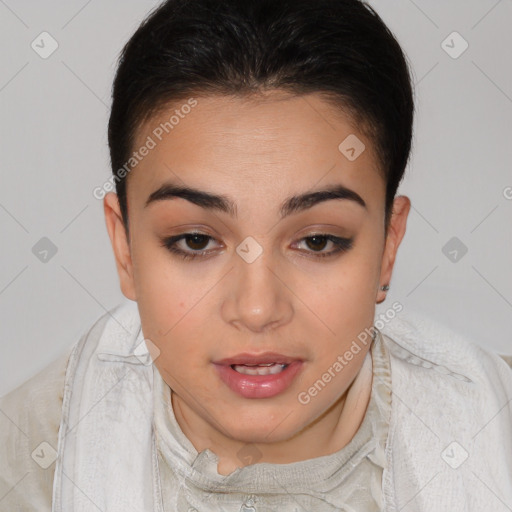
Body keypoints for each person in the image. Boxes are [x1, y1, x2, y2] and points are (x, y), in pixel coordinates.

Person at [1, 0, 511, 510]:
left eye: (317, 241)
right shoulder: (30, 460)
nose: (257, 309)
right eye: (196, 241)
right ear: (125, 250)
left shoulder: (495, 432)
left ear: (387, 246)